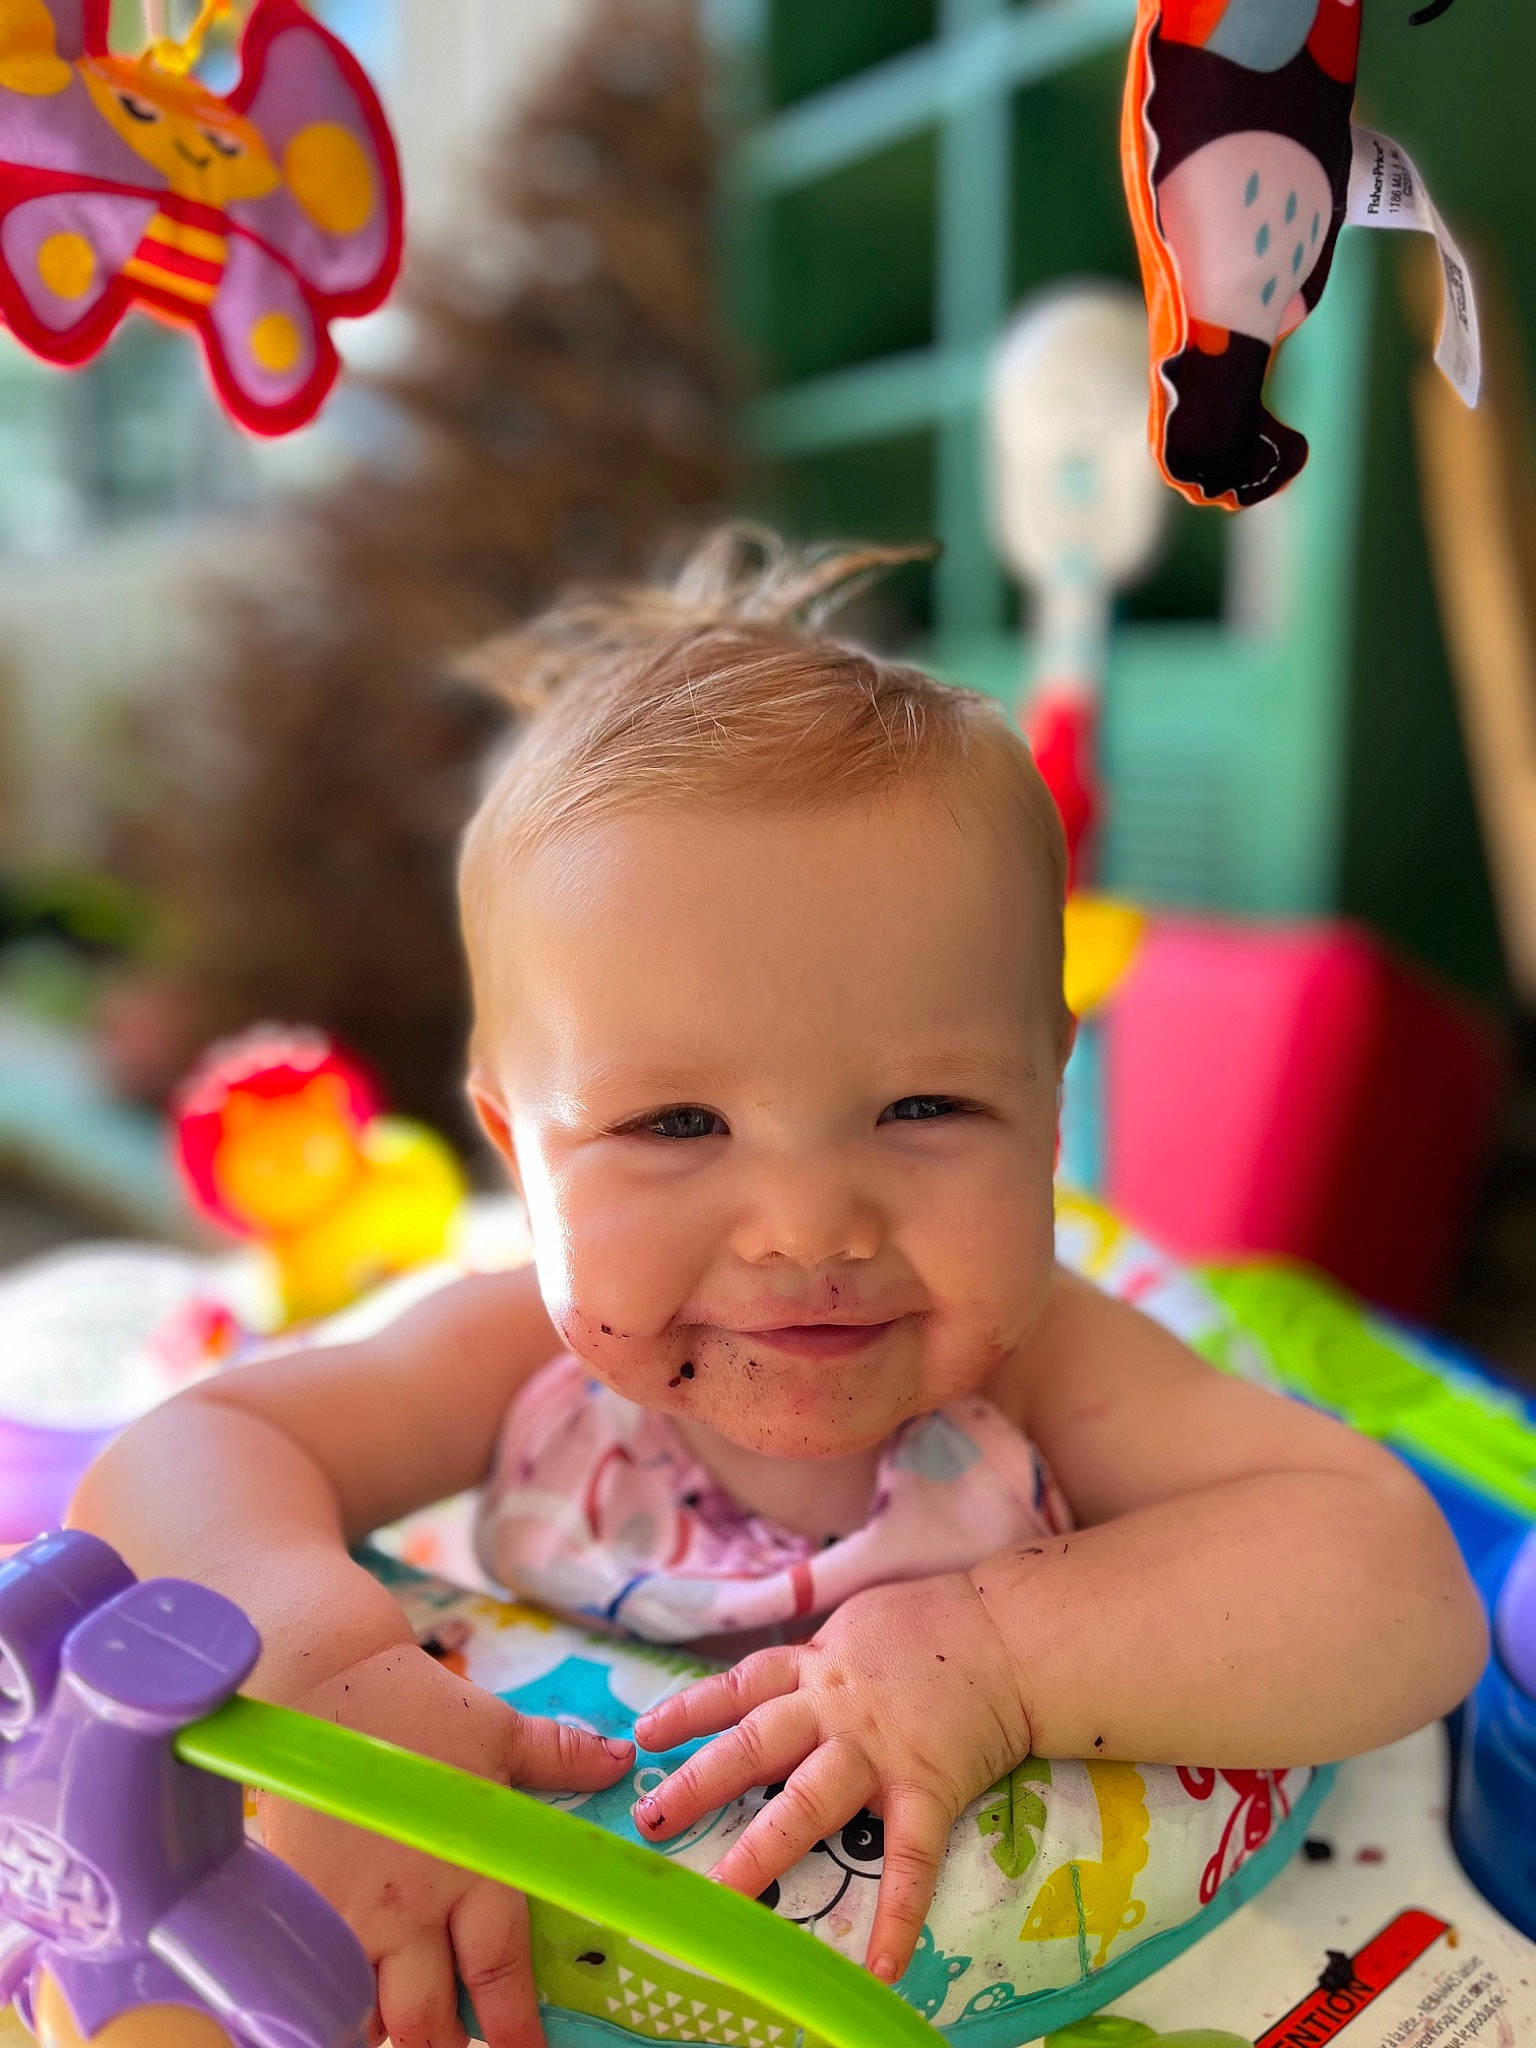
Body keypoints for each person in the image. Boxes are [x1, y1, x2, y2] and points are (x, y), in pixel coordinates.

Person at [71, 531, 1487, 2048]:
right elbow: (184, 1452)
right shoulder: (507, 1354)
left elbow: (1398, 1581)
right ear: (518, 1151)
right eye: (677, 1124)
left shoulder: (1048, 1366)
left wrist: (1001, 1653)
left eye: (927, 1108)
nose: (811, 1227)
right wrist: (324, 1670)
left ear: (1049, 1103)